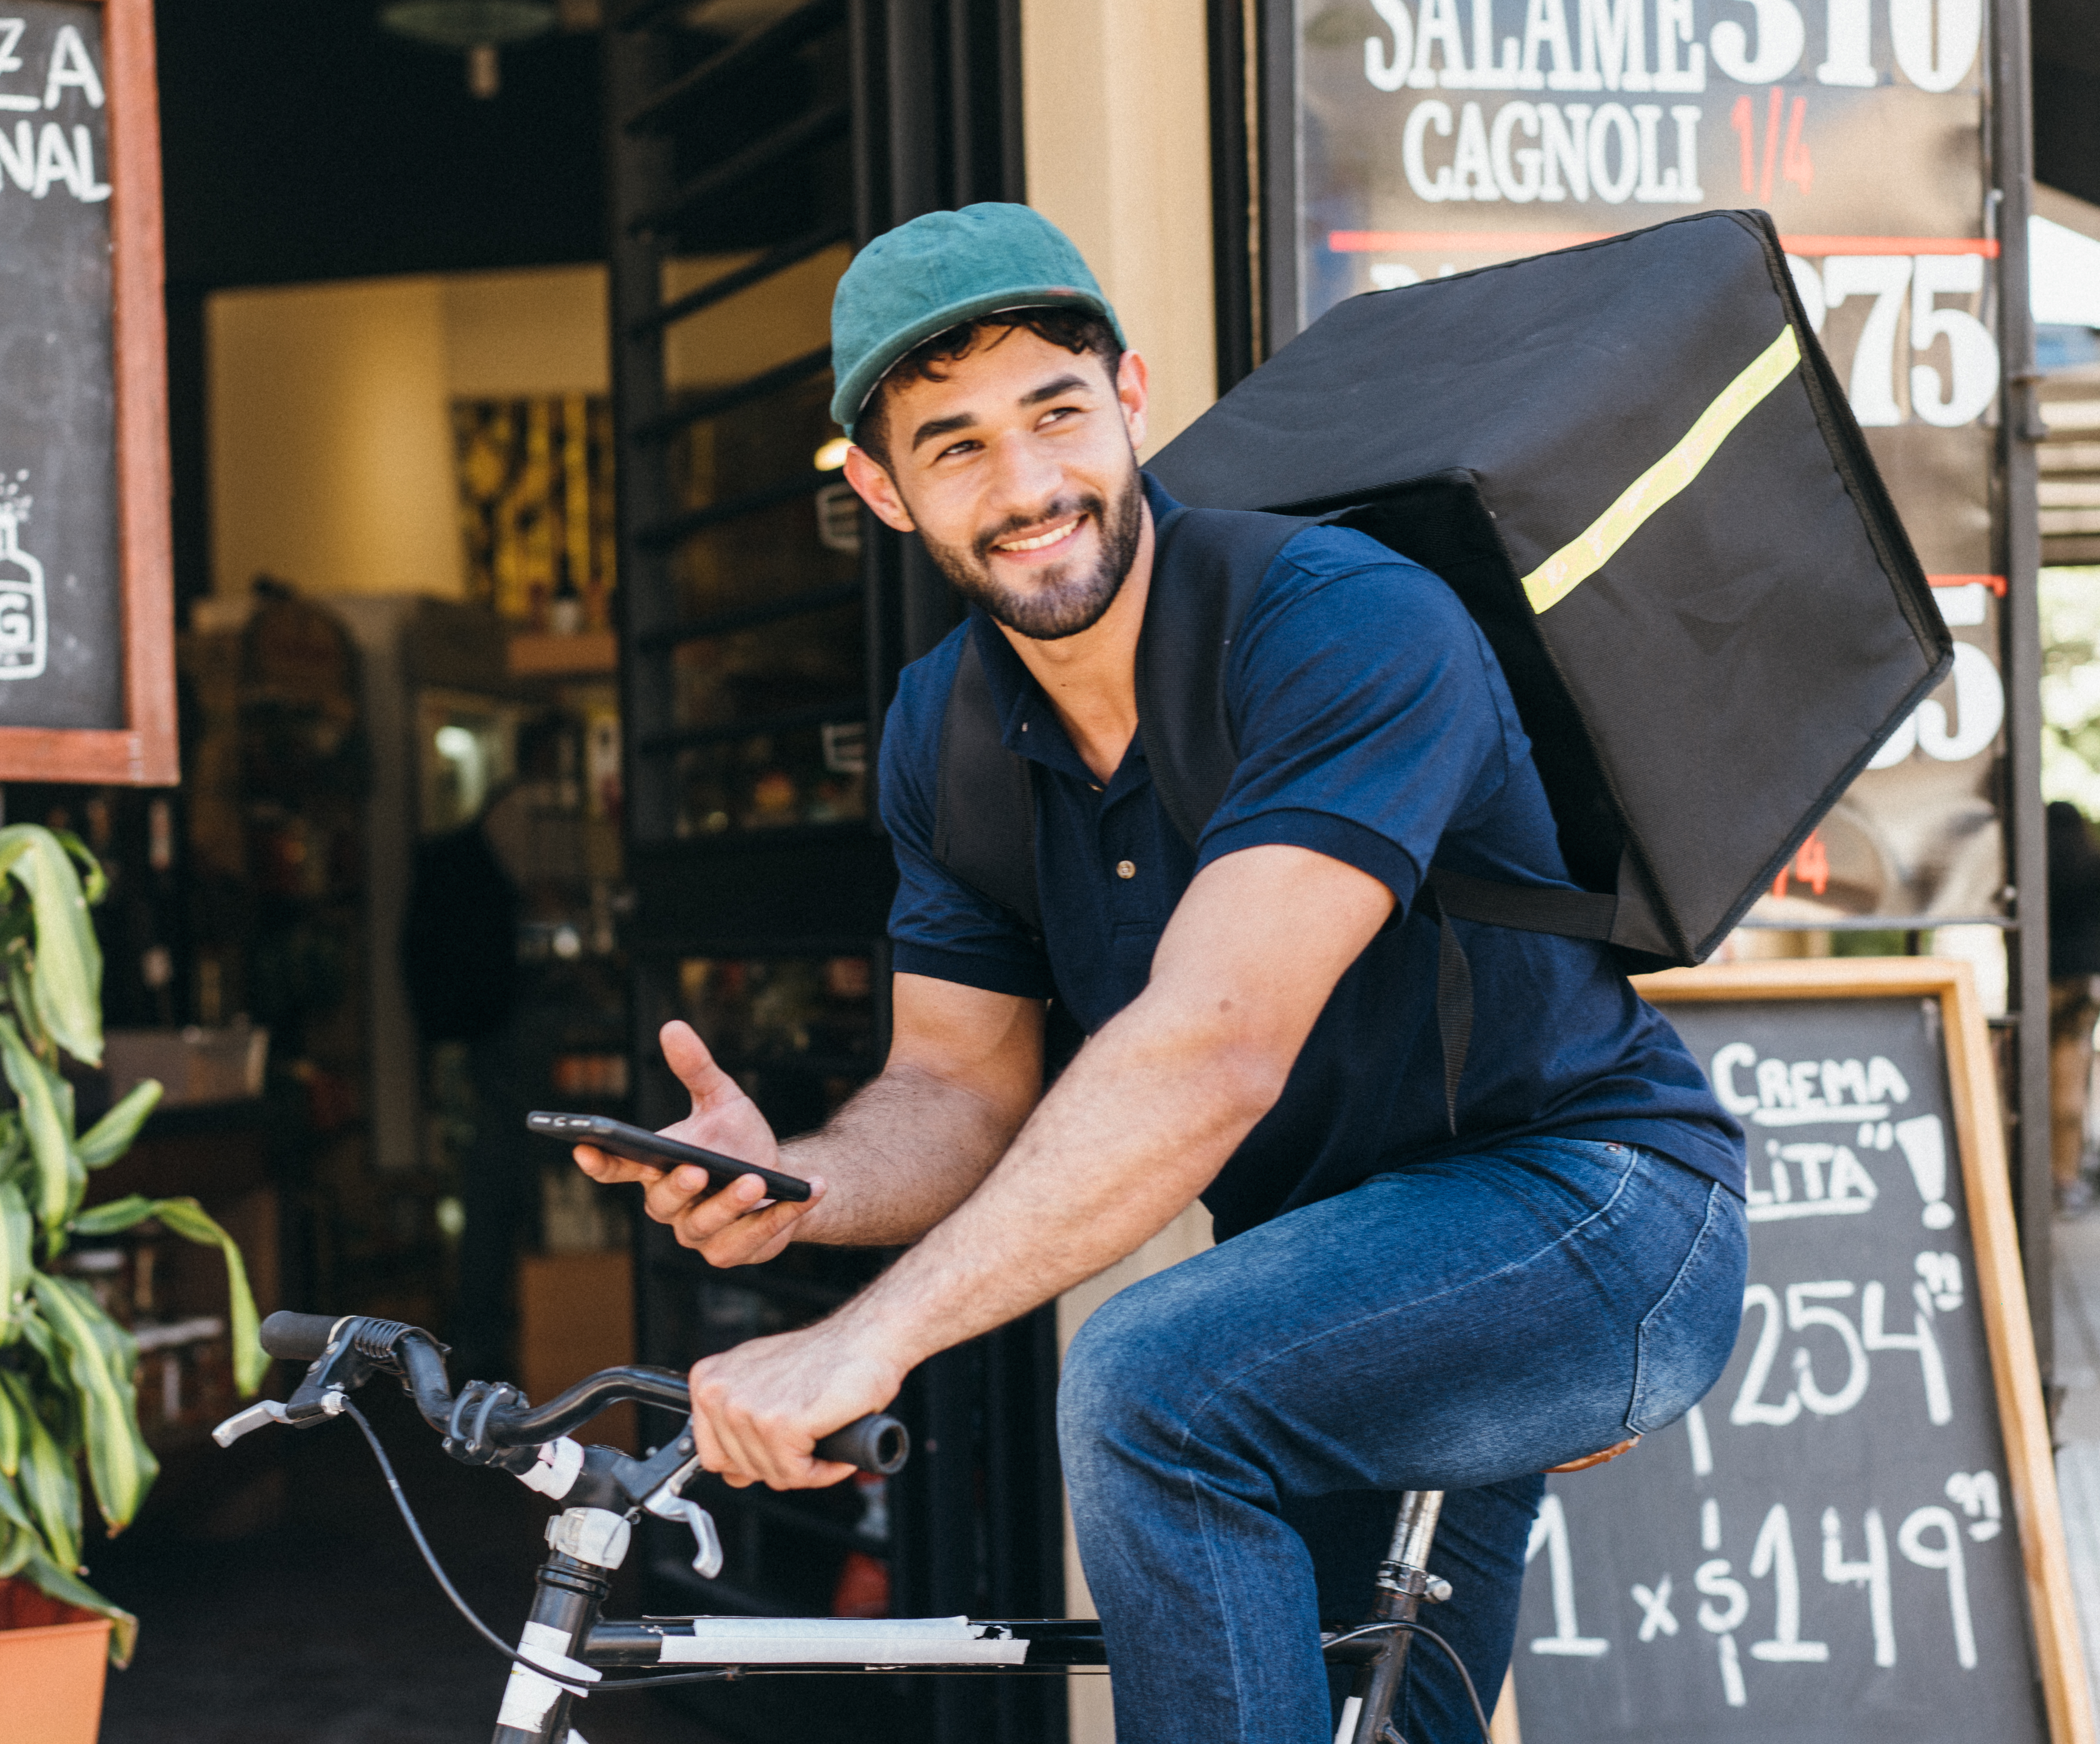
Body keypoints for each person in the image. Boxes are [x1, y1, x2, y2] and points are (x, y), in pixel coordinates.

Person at [576, 203, 1750, 1742]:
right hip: (1329, 1271)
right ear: (880, 487)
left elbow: (1212, 1044)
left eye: (1054, 414)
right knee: (1372, 1716)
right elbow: (954, 1085)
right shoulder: (951, 734)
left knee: (1147, 1380)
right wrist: (797, 1180)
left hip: (1589, 1211)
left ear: (1130, 398)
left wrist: (866, 1336)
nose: (1027, 486)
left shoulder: (1340, 623)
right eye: (956, 446)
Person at [2047, 799, 2100, 1211]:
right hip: (2088, 980)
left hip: (2041, 976)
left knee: (2035, 1074)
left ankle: (2043, 1171)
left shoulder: (2035, 864)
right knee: (2073, 1075)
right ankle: (2066, 1176)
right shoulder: (2099, 864)